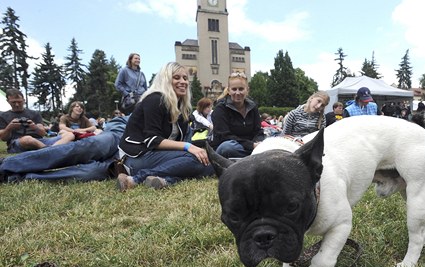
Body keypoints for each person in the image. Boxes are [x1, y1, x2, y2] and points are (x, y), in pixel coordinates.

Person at [116, 62, 214, 192]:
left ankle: (164, 180)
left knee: (209, 164)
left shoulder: (181, 108)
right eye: (176, 77)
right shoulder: (155, 99)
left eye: (185, 78)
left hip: (159, 157)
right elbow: (153, 140)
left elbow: (179, 143)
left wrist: (198, 148)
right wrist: (188, 147)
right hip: (137, 157)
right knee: (194, 159)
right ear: (166, 80)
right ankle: (136, 178)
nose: (183, 82)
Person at [0, 116, 128, 182]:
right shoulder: (143, 110)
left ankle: (17, 178)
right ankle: (5, 164)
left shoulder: (84, 120)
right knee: (89, 146)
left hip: (126, 159)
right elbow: (118, 122)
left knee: (92, 172)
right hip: (119, 136)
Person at [0, 88, 74, 153]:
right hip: (17, 143)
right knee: (27, 139)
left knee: (69, 134)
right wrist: (9, 127)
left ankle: (49, 149)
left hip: (39, 140)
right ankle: (50, 150)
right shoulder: (3, 116)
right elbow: (3, 138)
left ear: (24, 100)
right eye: (13, 102)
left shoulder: (34, 114)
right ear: (8, 101)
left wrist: (34, 127)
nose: (17, 104)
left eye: (19, 102)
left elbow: (42, 133)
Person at [210, 72, 265, 158]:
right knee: (227, 147)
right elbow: (224, 136)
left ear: (247, 90)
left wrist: (259, 142)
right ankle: (254, 156)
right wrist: (252, 146)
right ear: (228, 90)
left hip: (250, 146)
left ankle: (254, 155)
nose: (238, 93)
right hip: (230, 146)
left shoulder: (253, 107)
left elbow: (258, 131)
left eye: (241, 89)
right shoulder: (220, 109)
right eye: (234, 89)